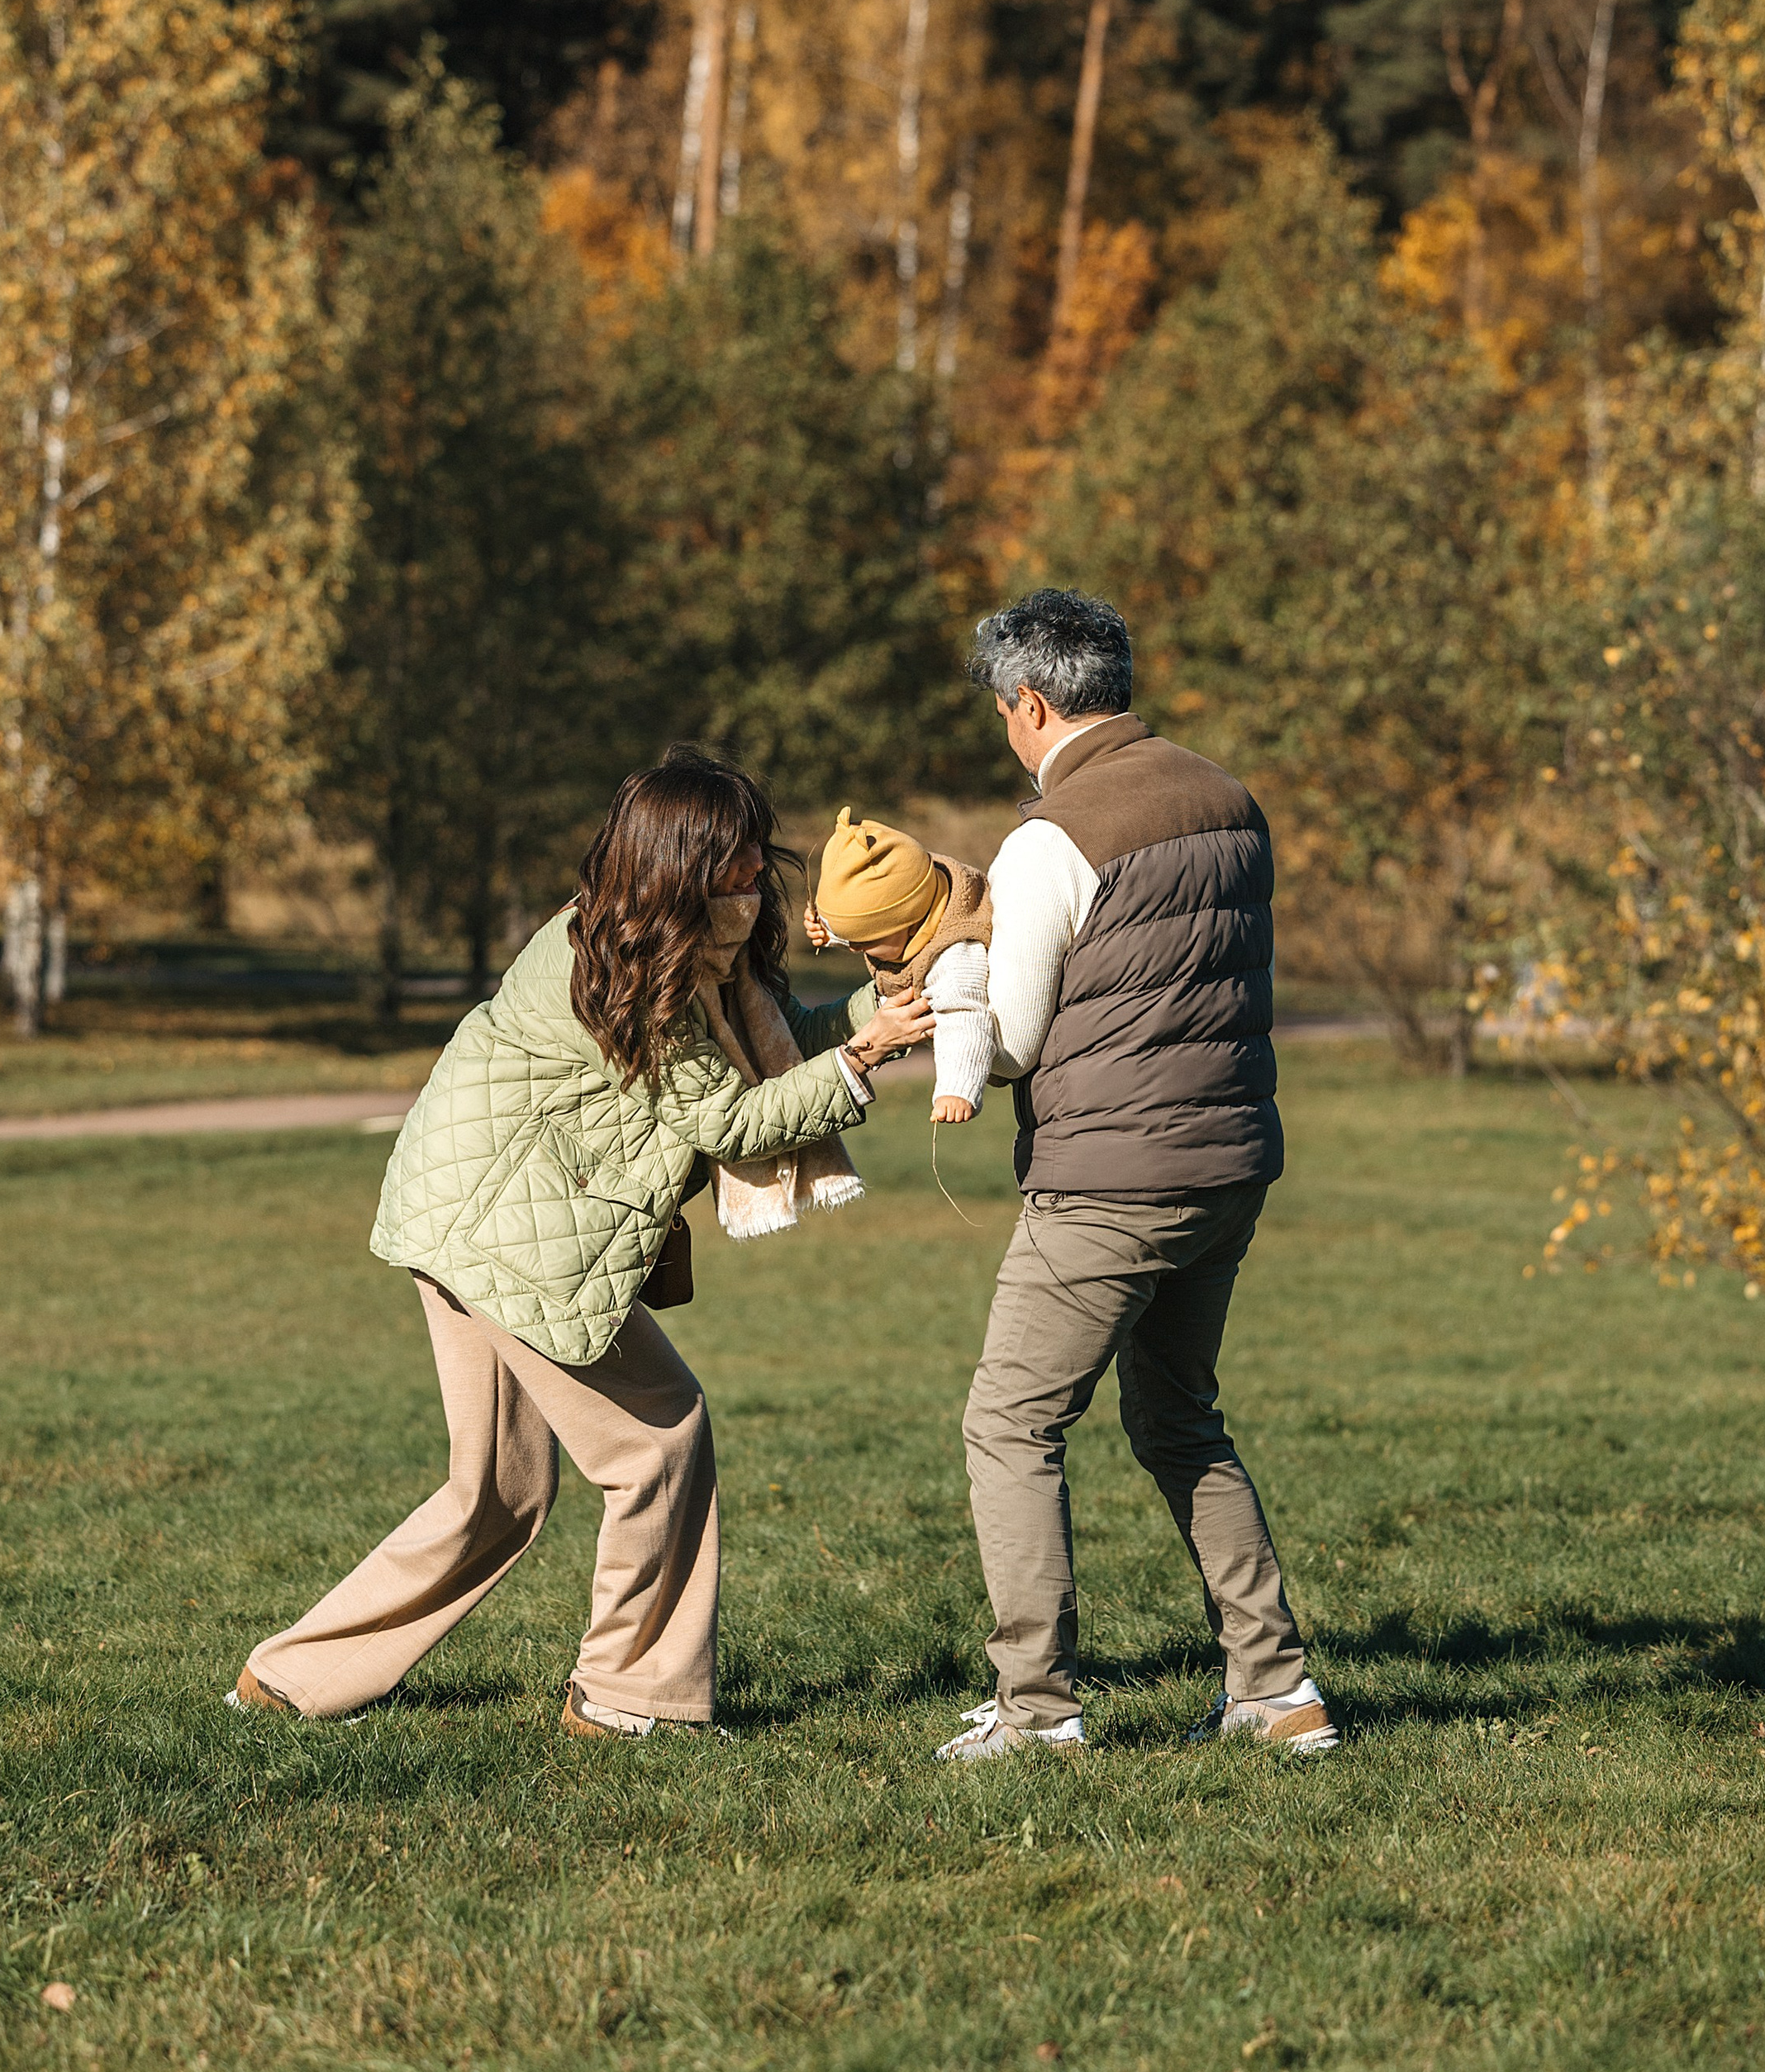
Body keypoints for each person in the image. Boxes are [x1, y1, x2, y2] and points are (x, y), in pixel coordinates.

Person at [226, 747, 933, 1737]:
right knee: (658, 1442)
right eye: (734, 863)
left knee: (499, 1492)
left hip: (465, 1221)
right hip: (510, 1238)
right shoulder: (622, 972)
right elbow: (729, 1121)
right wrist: (867, 1056)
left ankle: (293, 1678)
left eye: (753, 860)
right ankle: (629, 1699)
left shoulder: (658, 944)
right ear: (681, 864)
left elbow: (775, 1043)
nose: (755, 881)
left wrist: (880, 1014)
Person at [935, 589, 1335, 1764]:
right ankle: (1278, 1689)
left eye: (1005, 713)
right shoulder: (1230, 797)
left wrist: (954, 973)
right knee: (1179, 1420)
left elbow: (1009, 1040)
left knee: (1010, 1424)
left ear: (1033, 703)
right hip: (1229, 1168)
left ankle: (1039, 1708)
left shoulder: (1052, 837)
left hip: (1107, 1178)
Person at [805, 806, 994, 1124]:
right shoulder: (919, 899)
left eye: (862, 942)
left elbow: (964, 1018)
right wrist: (831, 933)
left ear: (909, 922)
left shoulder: (955, 957)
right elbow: (871, 918)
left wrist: (957, 1089)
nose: (853, 950)